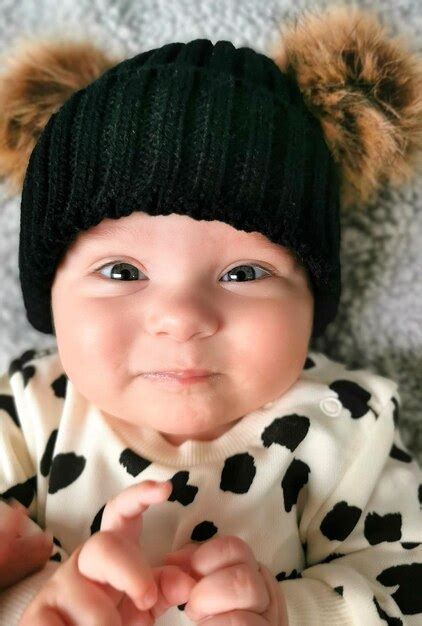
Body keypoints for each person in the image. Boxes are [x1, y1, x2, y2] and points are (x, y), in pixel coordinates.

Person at [0, 4, 421, 625]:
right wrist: (31, 594)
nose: (181, 317)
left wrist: (289, 611)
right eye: (121, 272)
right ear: (50, 296)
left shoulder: (344, 424)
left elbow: (405, 580)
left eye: (244, 273)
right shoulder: (33, 408)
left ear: (312, 298)